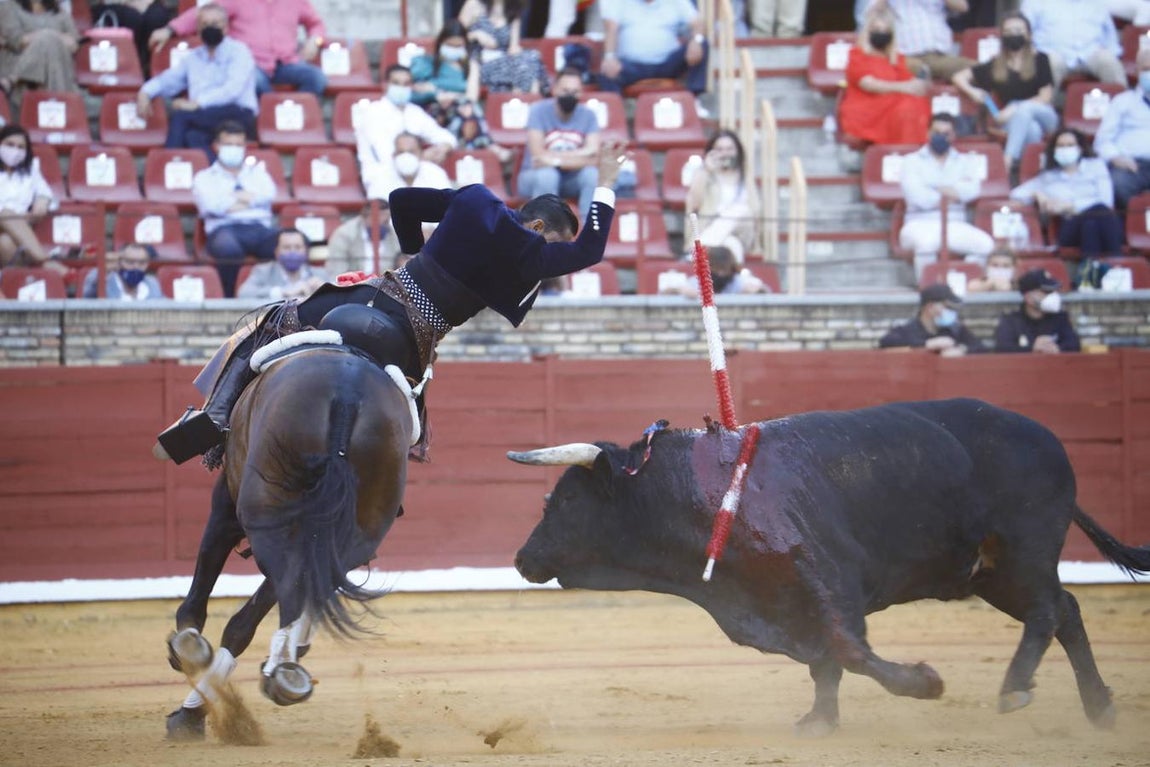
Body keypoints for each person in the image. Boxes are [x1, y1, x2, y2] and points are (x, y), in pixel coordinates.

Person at [153, 142, 627, 467]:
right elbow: (590, 251)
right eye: (554, 249)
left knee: (270, 324)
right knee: (410, 426)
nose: (553, 263)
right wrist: (604, 183)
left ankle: (214, 417)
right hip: (415, 343)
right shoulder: (529, 255)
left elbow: (400, 200)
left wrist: (412, 249)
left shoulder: (476, 200)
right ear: (541, 230)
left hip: (384, 293)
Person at [136, 3, 258, 153]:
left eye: (215, 24)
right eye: (204, 24)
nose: (210, 28)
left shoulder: (240, 52)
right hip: (205, 117)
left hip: (237, 113)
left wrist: (198, 103)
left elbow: (232, 90)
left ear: (226, 28)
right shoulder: (193, 57)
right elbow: (169, 80)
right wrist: (145, 92)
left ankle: (167, 162)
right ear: (198, 29)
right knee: (192, 137)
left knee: (181, 117)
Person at [149, 0, 327, 97]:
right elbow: (205, 14)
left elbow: (316, 24)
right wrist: (170, 29)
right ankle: (271, 117)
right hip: (250, 63)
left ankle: (298, 115)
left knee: (316, 78)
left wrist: (315, 40)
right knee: (255, 81)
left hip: (287, 62)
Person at [952, 12, 1057, 176]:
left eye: (1018, 30)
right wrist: (972, 91)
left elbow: (1045, 97)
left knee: (1025, 112)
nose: (1014, 34)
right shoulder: (995, 65)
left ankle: (1006, 161)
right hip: (1015, 121)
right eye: (1008, 31)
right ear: (1002, 35)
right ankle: (1030, 170)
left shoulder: (1040, 59)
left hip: (1044, 115)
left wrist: (1015, 107)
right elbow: (958, 77)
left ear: (1028, 35)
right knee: (1032, 129)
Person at [899, 113, 995, 279]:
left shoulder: (966, 161)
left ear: (954, 135)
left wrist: (934, 187)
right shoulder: (911, 161)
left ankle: (963, 284)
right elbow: (918, 197)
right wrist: (953, 194)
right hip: (919, 223)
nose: (941, 137)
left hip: (956, 223)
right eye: (936, 132)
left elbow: (972, 190)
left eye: (946, 133)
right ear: (928, 132)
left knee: (986, 245)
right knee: (926, 244)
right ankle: (928, 290)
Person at [193, 121, 279, 297]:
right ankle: (230, 298)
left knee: (285, 244)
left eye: (239, 145)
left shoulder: (258, 173)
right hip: (223, 230)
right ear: (216, 146)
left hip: (259, 229)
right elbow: (211, 207)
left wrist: (227, 200)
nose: (234, 148)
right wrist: (248, 198)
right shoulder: (204, 177)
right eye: (228, 144)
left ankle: (276, 297)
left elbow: (269, 195)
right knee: (229, 250)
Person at [1009, 128, 1123, 260]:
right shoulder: (1048, 177)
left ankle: (1089, 271)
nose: (1065, 149)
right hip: (1069, 228)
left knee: (1091, 223)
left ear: (1079, 148)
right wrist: (1036, 194)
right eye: (1061, 146)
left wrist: (1070, 207)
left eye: (1070, 145)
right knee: (1098, 213)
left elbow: (1106, 202)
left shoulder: (1096, 167)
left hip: (1098, 221)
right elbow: (1015, 194)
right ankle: (1117, 263)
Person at [355, 64, 457, 195]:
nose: (402, 88)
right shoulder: (372, 113)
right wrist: (422, 155)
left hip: (416, 173)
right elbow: (386, 155)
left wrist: (443, 148)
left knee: (438, 177)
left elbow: (446, 137)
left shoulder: (414, 112)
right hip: (382, 175)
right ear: (385, 85)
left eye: (406, 84)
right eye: (396, 83)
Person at [839, 5, 930, 147]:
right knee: (906, 107)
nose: (881, 34)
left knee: (913, 104)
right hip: (867, 109)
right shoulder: (857, 55)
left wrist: (918, 83)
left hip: (894, 108)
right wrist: (904, 87)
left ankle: (909, 151)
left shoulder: (896, 58)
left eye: (885, 31)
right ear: (867, 32)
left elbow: (912, 85)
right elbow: (868, 84)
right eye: (876, 30)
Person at [518, 68, 602, 219]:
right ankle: (543, 236)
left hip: (571, 179)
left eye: (575, 91)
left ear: (581, 93)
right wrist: (581, 155)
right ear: (554, 89)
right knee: (548, 176)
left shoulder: (589, 115)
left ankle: (589, 233)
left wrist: (554, 160)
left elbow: (594, 159)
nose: (570, 95)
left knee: (592, 175)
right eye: (565, 90)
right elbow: (538, 157)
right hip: (533, 176)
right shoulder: (538, 111)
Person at [596, 0, 709, 107]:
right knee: (606, 70)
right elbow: (611, 29)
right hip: (632, 66)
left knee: (702, 44)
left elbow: (697, 22)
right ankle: (616, 112)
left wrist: (696, 40)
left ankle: (694, 100)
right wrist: (609, 57)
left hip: (667, 64)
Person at [683, 129, 760, 264]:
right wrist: (705, 171)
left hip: (743, 231)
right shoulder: (704, 174)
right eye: (720, 149)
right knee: (731, 247)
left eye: (730, 149)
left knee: (740, 209)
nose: (725, 153)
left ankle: (699, 250)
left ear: (738, 151)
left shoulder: (746, 177)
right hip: (712, 229)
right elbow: (694, 205)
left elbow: (755, 211)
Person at [0, 124, 63, 276]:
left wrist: (43, 200)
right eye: (10, 145)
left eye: (21, 147)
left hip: (15, 232)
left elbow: (47, 194)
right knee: (6, 213)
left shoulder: (30, 172)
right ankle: (44, 261)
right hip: (10, 220)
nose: (15, 150)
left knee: (6, 243)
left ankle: (12, 285)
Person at [1094, 47, 1150, 212]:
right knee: (1118, 184)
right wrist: (1116, 158)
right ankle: (1132, 229)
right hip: (1131, 166)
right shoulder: (1122, 101)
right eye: (1146, 69)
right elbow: (1102, 140)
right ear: (1137, 71)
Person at [1020, 0, 1124, 87]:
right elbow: (1021, 30)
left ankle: (1122, 108)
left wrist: (1112, 53)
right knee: (1050, 63)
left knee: (1108, 60)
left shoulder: (1097, 3)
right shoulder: (1035, 2)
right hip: (1052, 54)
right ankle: (1040, 109)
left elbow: (1110, 36)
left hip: (1090, 53)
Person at [864, 0, 975, 82]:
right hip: (906, 56)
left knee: (982, 70)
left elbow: (963, 6)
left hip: (940, 57)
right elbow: (871, 12)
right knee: (921, 72)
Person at [458, 0, 549, 95]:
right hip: (478, 61)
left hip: (503, 59)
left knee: (532, 57)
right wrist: (476, 35)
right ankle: (531, 99)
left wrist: (520, 56)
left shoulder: (513, 11)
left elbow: (513, 47)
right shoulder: (474, 4)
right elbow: (454, 34)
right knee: (528, 67)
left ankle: (524, 95)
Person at [0, 0, 80, 95]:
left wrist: (48, 36)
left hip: (56, 67)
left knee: (50, 43)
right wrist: (53, 36)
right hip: (24, 76)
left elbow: (73, 44)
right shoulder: (9, 7)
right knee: (49, 41)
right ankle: (59, 101)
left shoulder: (59, 11)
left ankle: (12, 79)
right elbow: (18, 41)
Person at [878, 283, 985, 355]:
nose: (951, 311)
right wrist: (927, 345)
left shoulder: (954, 329)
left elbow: (980, 348)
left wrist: (961, 349)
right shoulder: (907, 330)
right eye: (947, 307)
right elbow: (886, 343)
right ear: (930, 307)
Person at [993, 268, 1082, 353]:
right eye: (1046, 291)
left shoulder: (1060, 317)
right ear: (1028, 296)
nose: (1053, 296)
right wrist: (1032, 348)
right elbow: (1002, 349)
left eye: (1054, 291)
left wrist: (1057, 348)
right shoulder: (1011, 321)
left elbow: (1074, 345)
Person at [236, 228, 330, 300]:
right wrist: (283, 292)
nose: (292, 252)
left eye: (297, 247)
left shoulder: (320, 273)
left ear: (306, 251)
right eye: (286, 247)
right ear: (276, 252)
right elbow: (243, 293)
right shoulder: (263, 271)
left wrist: (325, 290)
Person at [90, 0, 175, 78]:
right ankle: (133, 68)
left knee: (157, 17)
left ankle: (149, 68)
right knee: (132, 18)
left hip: (147, 2)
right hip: (113, 4)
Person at [325, 199, 406, 277]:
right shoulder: (344, 235)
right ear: (365, 217)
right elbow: (337, 272)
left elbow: (403, 265)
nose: (383, 225)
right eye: (378, 221)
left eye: (387, 221)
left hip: (385, 286)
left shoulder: (393, 235)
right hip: (353, 287)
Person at [371, 132, 453, 202]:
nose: (406, 156)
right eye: (401, 152)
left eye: (411, 152)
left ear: (420, 154)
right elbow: (376, 209)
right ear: (394, 155)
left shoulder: (436, 173)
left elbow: (448, 206)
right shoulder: (381, 175)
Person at [660, 245, 769, 298]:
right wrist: (680, 290)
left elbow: (765, 292)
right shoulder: (698, 283)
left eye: (724, 269)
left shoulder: (738, 282)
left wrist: (754, 291)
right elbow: (664, 294)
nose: (720, 274)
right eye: (717, 269)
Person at [81, 243, 166, 300]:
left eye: (142, 263)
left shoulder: (152, 284)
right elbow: (87, 296)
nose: (136, 267)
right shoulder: (106, 281)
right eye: (130, 262)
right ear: (119, 262)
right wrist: (104, 270)